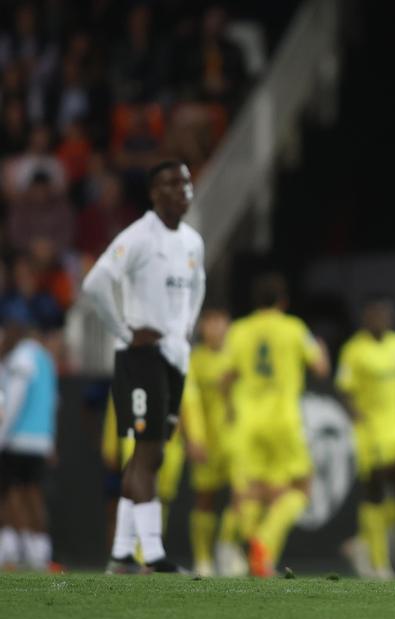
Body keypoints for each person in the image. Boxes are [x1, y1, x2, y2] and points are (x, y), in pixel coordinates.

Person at [81, 159, 205, 575]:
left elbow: (198, 282)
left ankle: (120, 553)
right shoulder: (138, 236)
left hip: (173, 358)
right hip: (140, 357)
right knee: (149, 452)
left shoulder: (191, 241)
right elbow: (95, 282)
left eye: (186, 182)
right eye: (172, 184)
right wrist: (124, 329)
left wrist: (185, 327)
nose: (183, 190)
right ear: (154, 193)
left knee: (150, 454)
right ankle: (151, 553)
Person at [223, 273, 329, 578]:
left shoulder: (239, 330)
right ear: (283, 301)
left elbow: (226, 377)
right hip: (283, 420)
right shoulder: (294, 328)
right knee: (300, 487)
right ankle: (262, 543)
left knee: (251, 491)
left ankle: (252, 553)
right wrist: (321, 350)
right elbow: (320, 368)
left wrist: (229, 408)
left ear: (255, 301)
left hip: (249, 420)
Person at [336, 296, 395, 579]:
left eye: (384, 315)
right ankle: (380, 565)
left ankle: (363, 541)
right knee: (375, 495)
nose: (379, 320)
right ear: (366, 318)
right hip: (370, 432)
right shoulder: (354, 350)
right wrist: (356, 417)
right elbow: (344, 390)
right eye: (374, 315)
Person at [186, 308, 246, 577]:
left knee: (241, 496)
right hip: (207, 440)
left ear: (229, 325)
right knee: (205, 499)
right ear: (202, 327)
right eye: (210, 322)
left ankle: (227, 546)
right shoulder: (194, 360)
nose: (216, 327)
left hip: (237, 439)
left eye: (221, 321)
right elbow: (190, 403)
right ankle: (202, 559)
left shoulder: (239, 356)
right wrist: (193, 438)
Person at [0, 317, 58, 571]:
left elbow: (14, 400)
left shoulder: (21, 358)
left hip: (17, 439)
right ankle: (39, 551)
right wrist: (51, 440)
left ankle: (14, 551)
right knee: (34, 495)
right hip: (40, 440)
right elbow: (54, 402)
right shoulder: (46, 360)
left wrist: (1, 435)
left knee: (12, 494)